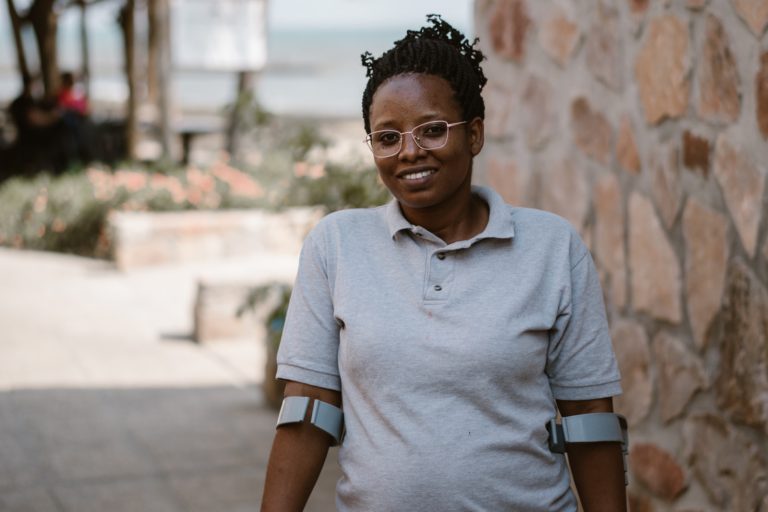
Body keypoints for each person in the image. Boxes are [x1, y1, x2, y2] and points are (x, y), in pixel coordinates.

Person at [261, 15, 626, 511]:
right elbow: (309, 411)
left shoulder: (551, 247)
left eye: (432, 130)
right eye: (387, 137)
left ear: (474, 134)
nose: (410, 152)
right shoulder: (337, 245)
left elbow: (588, 416)